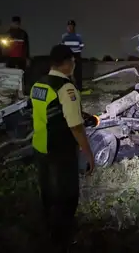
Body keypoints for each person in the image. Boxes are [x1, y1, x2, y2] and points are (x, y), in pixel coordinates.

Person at [30, 44, 94, 252]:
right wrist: (89, 155)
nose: (74, 65)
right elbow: (75, 127)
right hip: (60, 150)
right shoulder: (66, 88)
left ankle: (47, 230)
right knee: (67, 197)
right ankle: (62, 241)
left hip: (40, 147)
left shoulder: (38, 84)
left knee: (47, 191)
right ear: (67, 63)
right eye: (73, 61)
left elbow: (47, 113)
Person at [61, 20, 85, 91]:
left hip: (76, 55)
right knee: (67, 73)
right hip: (68, 55)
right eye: (69, 26)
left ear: (74, 27)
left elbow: (81, 46)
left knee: (78, 72)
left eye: (72, 26)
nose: (70, 28)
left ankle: (79, 88)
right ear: (67, 27)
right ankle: (68, 88)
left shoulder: (78, 36)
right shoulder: (64, 37)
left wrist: (75, 54)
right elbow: (63, 47)